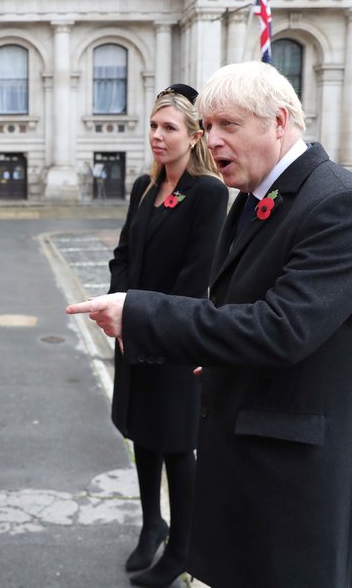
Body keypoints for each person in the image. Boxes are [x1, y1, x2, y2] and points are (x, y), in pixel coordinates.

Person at [67, 61, 352, 588]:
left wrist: (141, 313)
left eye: (227, 126)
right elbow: (235, 306)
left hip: (292, 479)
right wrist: (214, 358)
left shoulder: (340, 203)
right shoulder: (256, 199)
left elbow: (281, 327)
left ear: (279, 122)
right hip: (244, 455)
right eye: (207, 126)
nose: (210, 140)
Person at [107, 84, 228, 585]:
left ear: (195, 135)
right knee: (143, 435)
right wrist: (117, 310)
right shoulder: (144, 186)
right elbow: (123, 257)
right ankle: (150, 524)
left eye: (169, 128)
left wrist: (145, 325)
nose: (157, 136)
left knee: (177, 445)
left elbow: (194, 278)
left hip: (173, 342)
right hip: (133, 334)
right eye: (153, 126)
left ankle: (182, 548)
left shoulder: (208, 192)